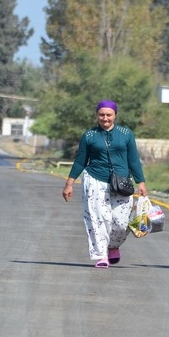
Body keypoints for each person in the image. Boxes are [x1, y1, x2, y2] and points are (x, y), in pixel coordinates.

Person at [62, 99, 148, 268]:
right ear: (97, 115)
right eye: (101, 115)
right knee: (98, 219)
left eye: (109, 115)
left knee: (121, 222)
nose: (105, 118)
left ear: (115, 115)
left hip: (122, 182)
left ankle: (113, 246)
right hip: (95, 180)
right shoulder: (89, 135)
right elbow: (80, 160)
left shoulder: (126, 133)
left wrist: (141, 182)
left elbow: (133, 160)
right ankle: (101, 255)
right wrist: (69, 183)